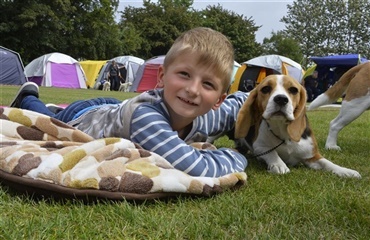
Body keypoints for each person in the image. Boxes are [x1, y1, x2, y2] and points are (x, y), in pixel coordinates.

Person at [9, 27, 248, 177]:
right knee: (46, 120)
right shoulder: (148, 119)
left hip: (119, 110)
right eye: (184, 74)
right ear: (162, 77)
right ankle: (29, 97)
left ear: (218, 99)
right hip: (87, 116)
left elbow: (240, 104)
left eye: (208, 84)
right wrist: (238, 156)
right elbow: (197, 168)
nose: (193, 89)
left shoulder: (210, 113)